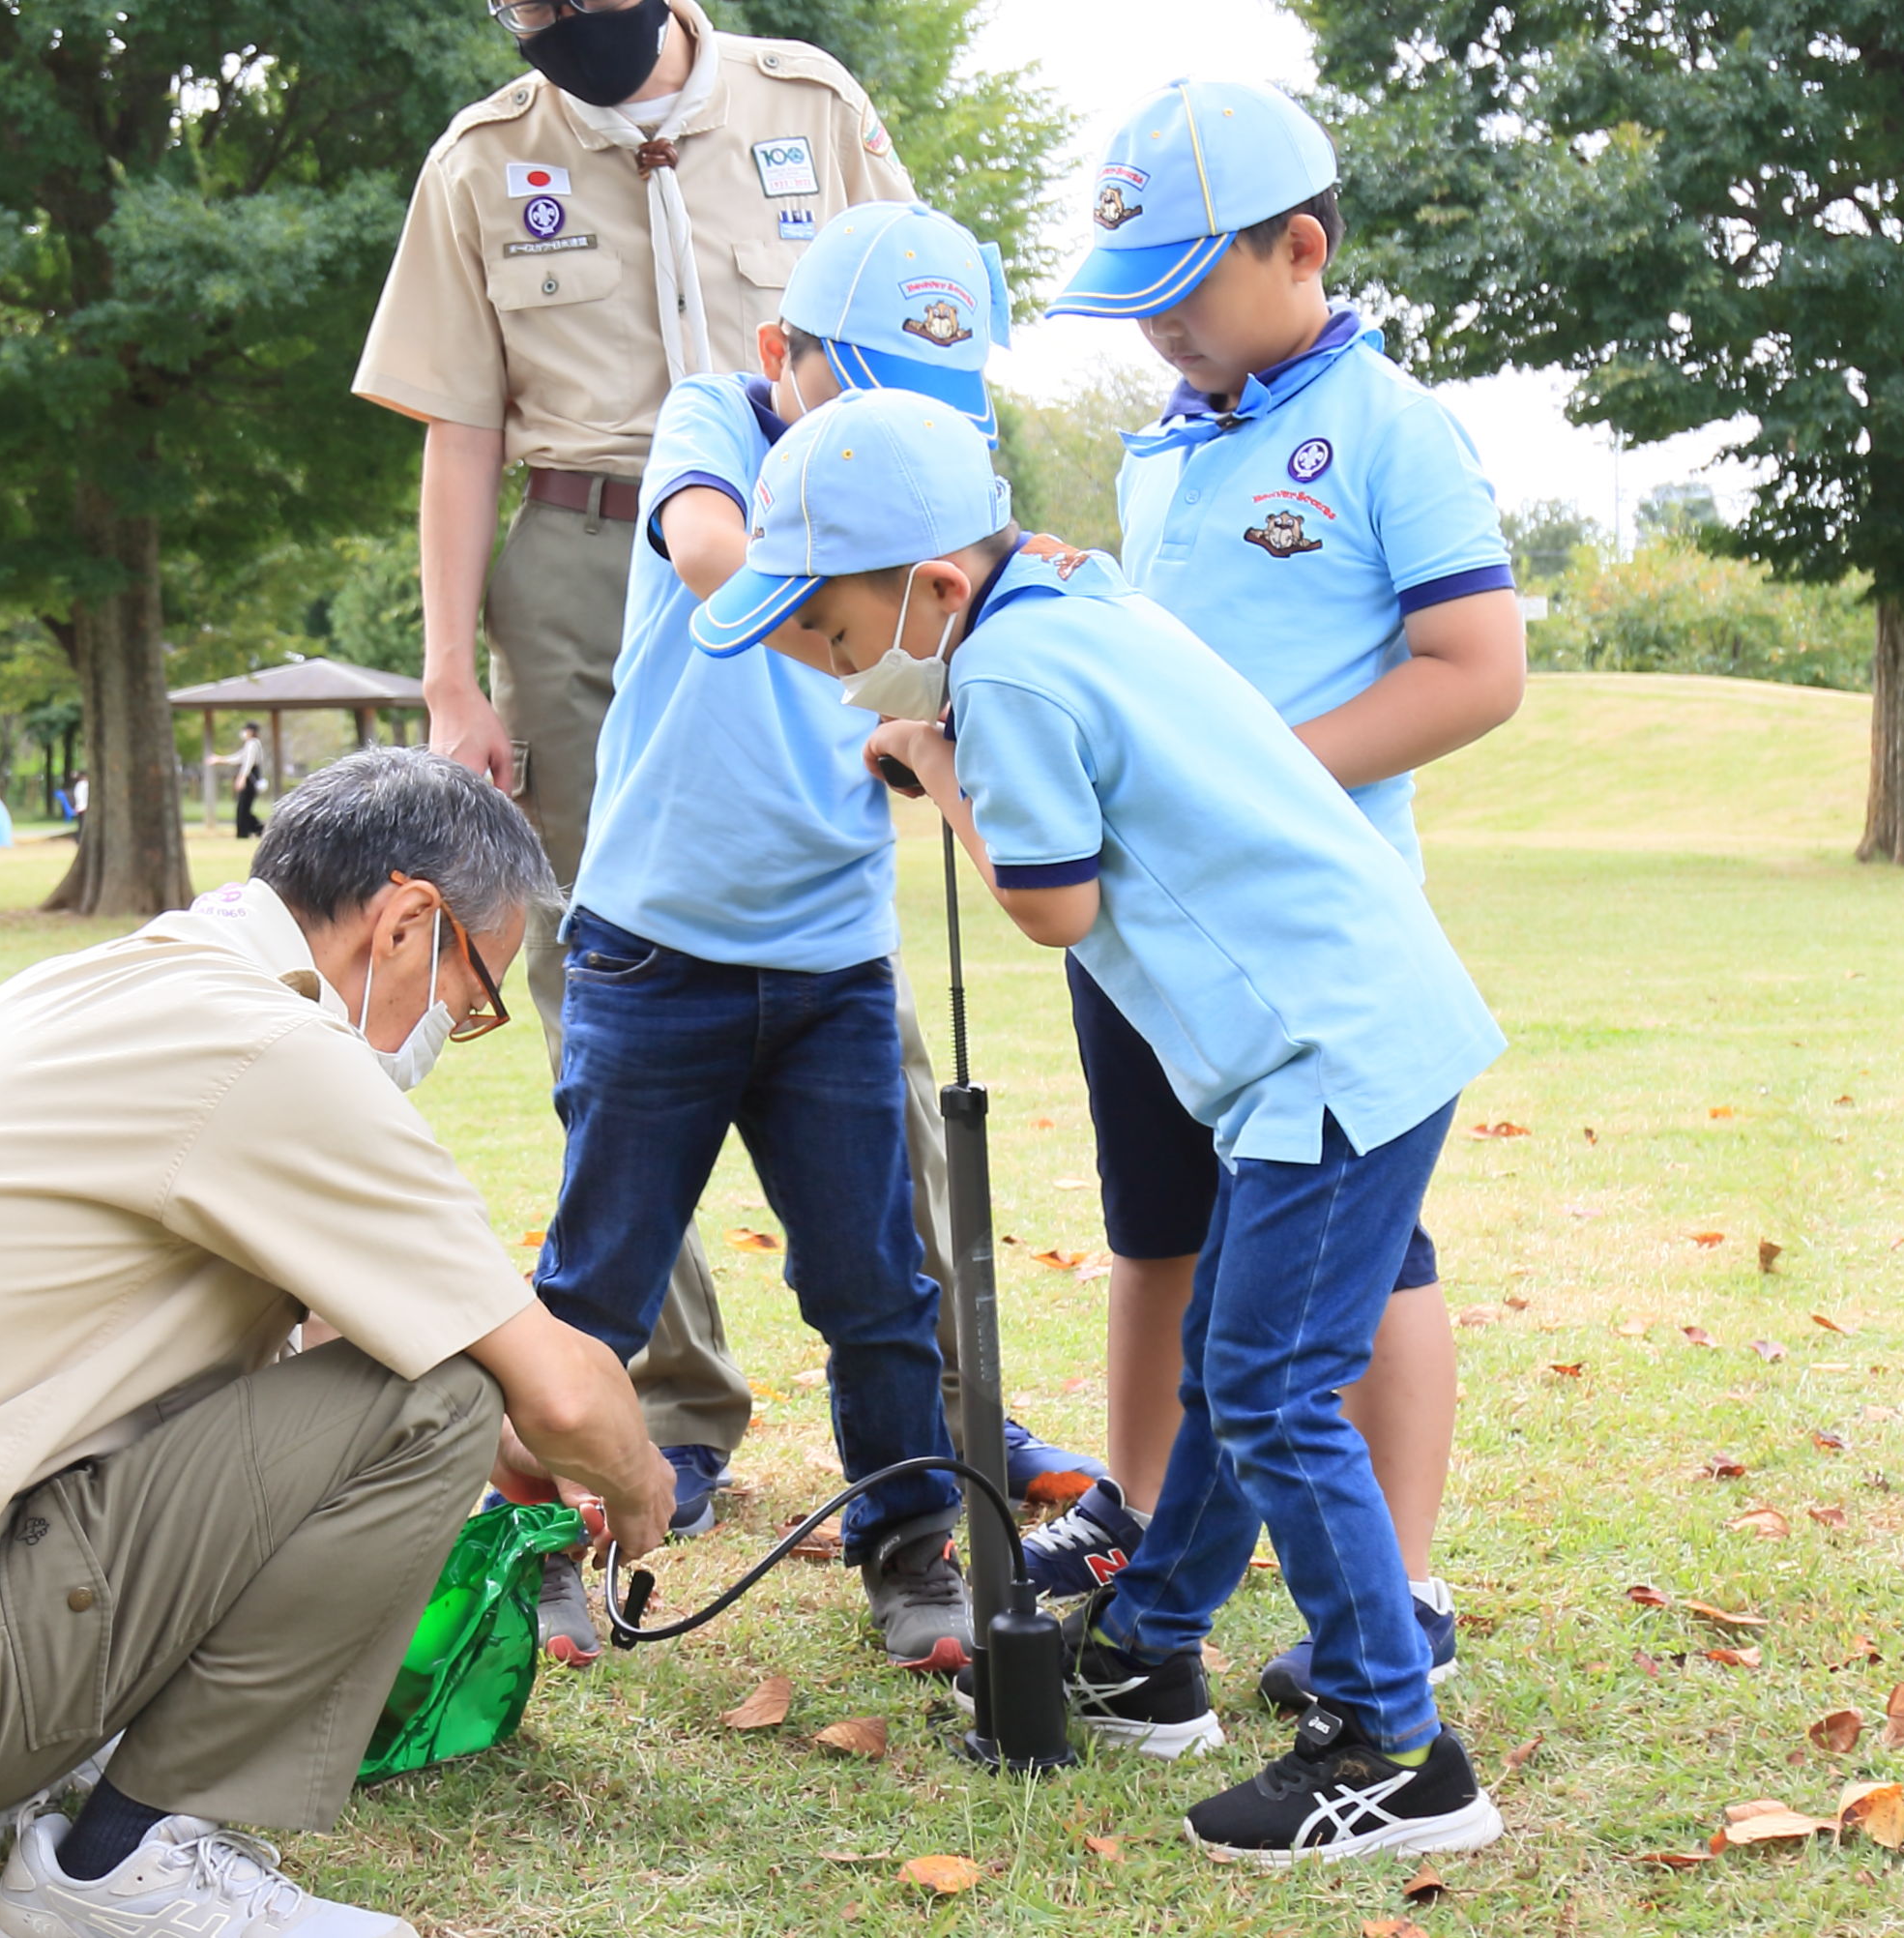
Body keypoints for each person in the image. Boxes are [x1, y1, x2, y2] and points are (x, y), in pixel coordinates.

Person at [693, 389, 1507, 1864]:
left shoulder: (1008, 677)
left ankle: (1395, 1751)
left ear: (934, 589)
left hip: (1326, 1053)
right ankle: (1147, 1652)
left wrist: (937, 766)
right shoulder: (1068, 598)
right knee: (1230, 1368)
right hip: (1327, 1039)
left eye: (831, 634)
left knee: (1268, 1388)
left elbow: (1052, 906)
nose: (832, 671)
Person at [0, 748, 674, 1938]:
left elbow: (329, 1338)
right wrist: (638, 1487)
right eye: (470, 1003)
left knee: (385, 1382)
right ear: (408, 922)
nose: (448, 1032)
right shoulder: (270, 1053)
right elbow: (558, 1397)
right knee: (443, 1404)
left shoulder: (124, 985)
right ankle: (129, 1864)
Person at [357, 0, 1094, 1530]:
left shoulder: (807, 102)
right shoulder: (480, 159)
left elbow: (928, 337)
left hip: (847, 528)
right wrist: (448, 678)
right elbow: (459, 427)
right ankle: (661, 1410)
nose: (550, 19)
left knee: (840, 981)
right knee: (611, 983)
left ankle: (943, 1398)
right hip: (589, 540)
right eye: (522, 5)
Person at [1014, 83, 1525, 1715]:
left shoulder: (1387, 425)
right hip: (1149, 936)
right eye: (1134, 295)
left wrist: (1249, 786)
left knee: (1360, 1266)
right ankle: (1137, 1516)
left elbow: (1473, 667)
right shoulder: (1164, 446)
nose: (1156, 325)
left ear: (1299, 248)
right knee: (1155, 1222)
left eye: (1184, 285)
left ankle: (1402, 1578)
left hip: (1310, 944)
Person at [529, 202, 1020, 1674]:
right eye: (852, 394)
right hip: (650, 955)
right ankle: (539, 1546)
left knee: (875, 1286)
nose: (878, 436)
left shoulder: (933, 477)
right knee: (595, 1283)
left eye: (915, 411)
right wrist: (859, 623)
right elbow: (704, 553)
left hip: (830, 969)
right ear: (774, 353)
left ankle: (910, 1549)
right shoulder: (714, 419)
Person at [216, 722, 266, 838]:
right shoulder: (251, 744)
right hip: (249, 778)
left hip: (249, 779)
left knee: (243, 808)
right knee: (244, 808)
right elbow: (239, 757)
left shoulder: (252, 744)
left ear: (250, 731)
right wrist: (220, 759)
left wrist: (242, 777)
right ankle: (256, 830)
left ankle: (249, 831)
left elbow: (248, 762)